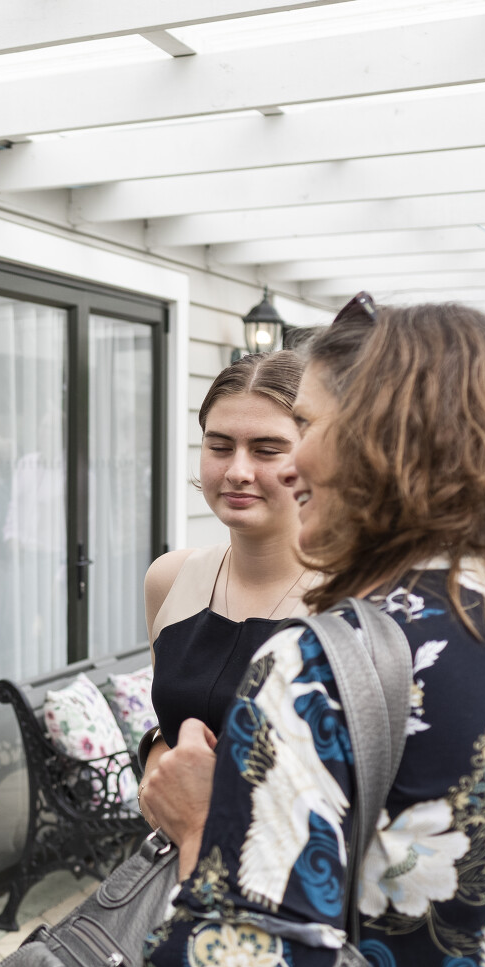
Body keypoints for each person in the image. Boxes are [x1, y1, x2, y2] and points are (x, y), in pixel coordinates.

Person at [142, 299, 485, 967]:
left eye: (307, 425)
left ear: (384, 443)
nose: (292, 464)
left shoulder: (320, 665)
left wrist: (197, 828)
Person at [137, 351, 310, 823]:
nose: (237, 471)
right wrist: (155, 759)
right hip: (178, 860)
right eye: (219, 446)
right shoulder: (171, 579)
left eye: (267, 450)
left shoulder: (357, 600)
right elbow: (174, 722)